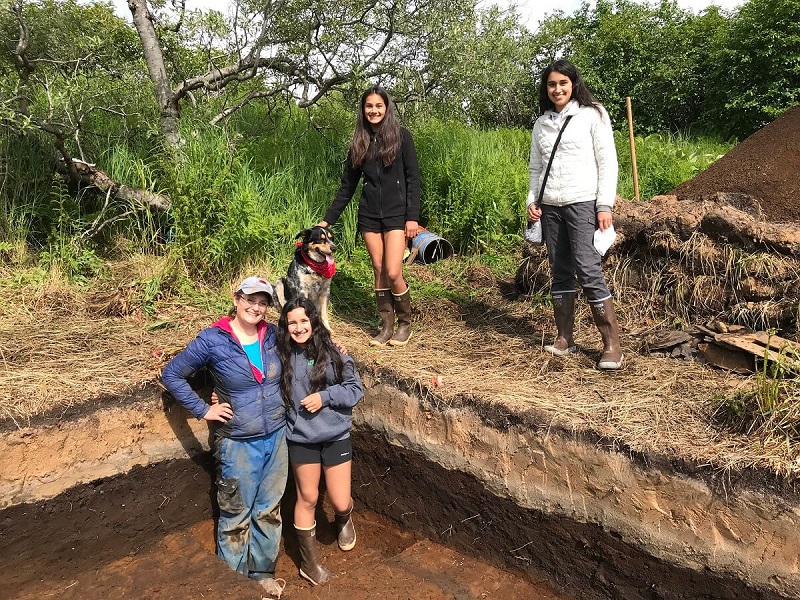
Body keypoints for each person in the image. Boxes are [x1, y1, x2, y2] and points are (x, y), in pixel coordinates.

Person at [161, 276, 287, 599]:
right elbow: (172, 374)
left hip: (276, 437)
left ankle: (262, 574)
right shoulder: (213, 339)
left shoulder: (273, 335)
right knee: (235, 516)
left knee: (269, 510)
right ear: (236, 298)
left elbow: (308, 343)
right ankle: (231, 585)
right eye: (250, 299)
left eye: (263, 302)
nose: (256, 307)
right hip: (236, 442)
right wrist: (204, 410)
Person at [526, 59, 624, 370]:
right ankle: (564, 337)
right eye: (552, 84)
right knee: (560, 268)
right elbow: (536, 168)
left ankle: (611, 345)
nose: (557, 89)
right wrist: (532, 200)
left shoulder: (592, 114)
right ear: (546, 88)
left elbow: (607, 161)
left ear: (573, 84)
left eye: (563, 83)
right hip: (550, 206)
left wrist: (604, 204)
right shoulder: (541, 124)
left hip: (583, 202)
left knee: (587, 267)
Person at [318, 85, 420, 347]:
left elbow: (413, 179)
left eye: (378, 106)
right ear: (363, 110)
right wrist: (327, 220)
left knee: (393, 271)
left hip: (397, 216)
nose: (373, 111)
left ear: (387, 108)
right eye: (369, 106)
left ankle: (405, 323)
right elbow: (347, 187)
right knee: (378, 269)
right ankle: (386, 325)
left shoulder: (402, 137)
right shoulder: (359, 143)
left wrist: (412, 217)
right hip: (370, 216)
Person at [276, 296, 363, 586]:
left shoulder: (336, 353)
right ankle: (309, 564)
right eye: (292, 323)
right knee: (308, 497)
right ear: (285, 327)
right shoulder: (280, 355)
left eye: (304, 320)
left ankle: (343, 519)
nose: (299, 327)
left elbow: (354, 390)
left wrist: (324, 397)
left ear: (314, 321)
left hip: (335, 435)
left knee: (340, 500)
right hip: (302, 438)